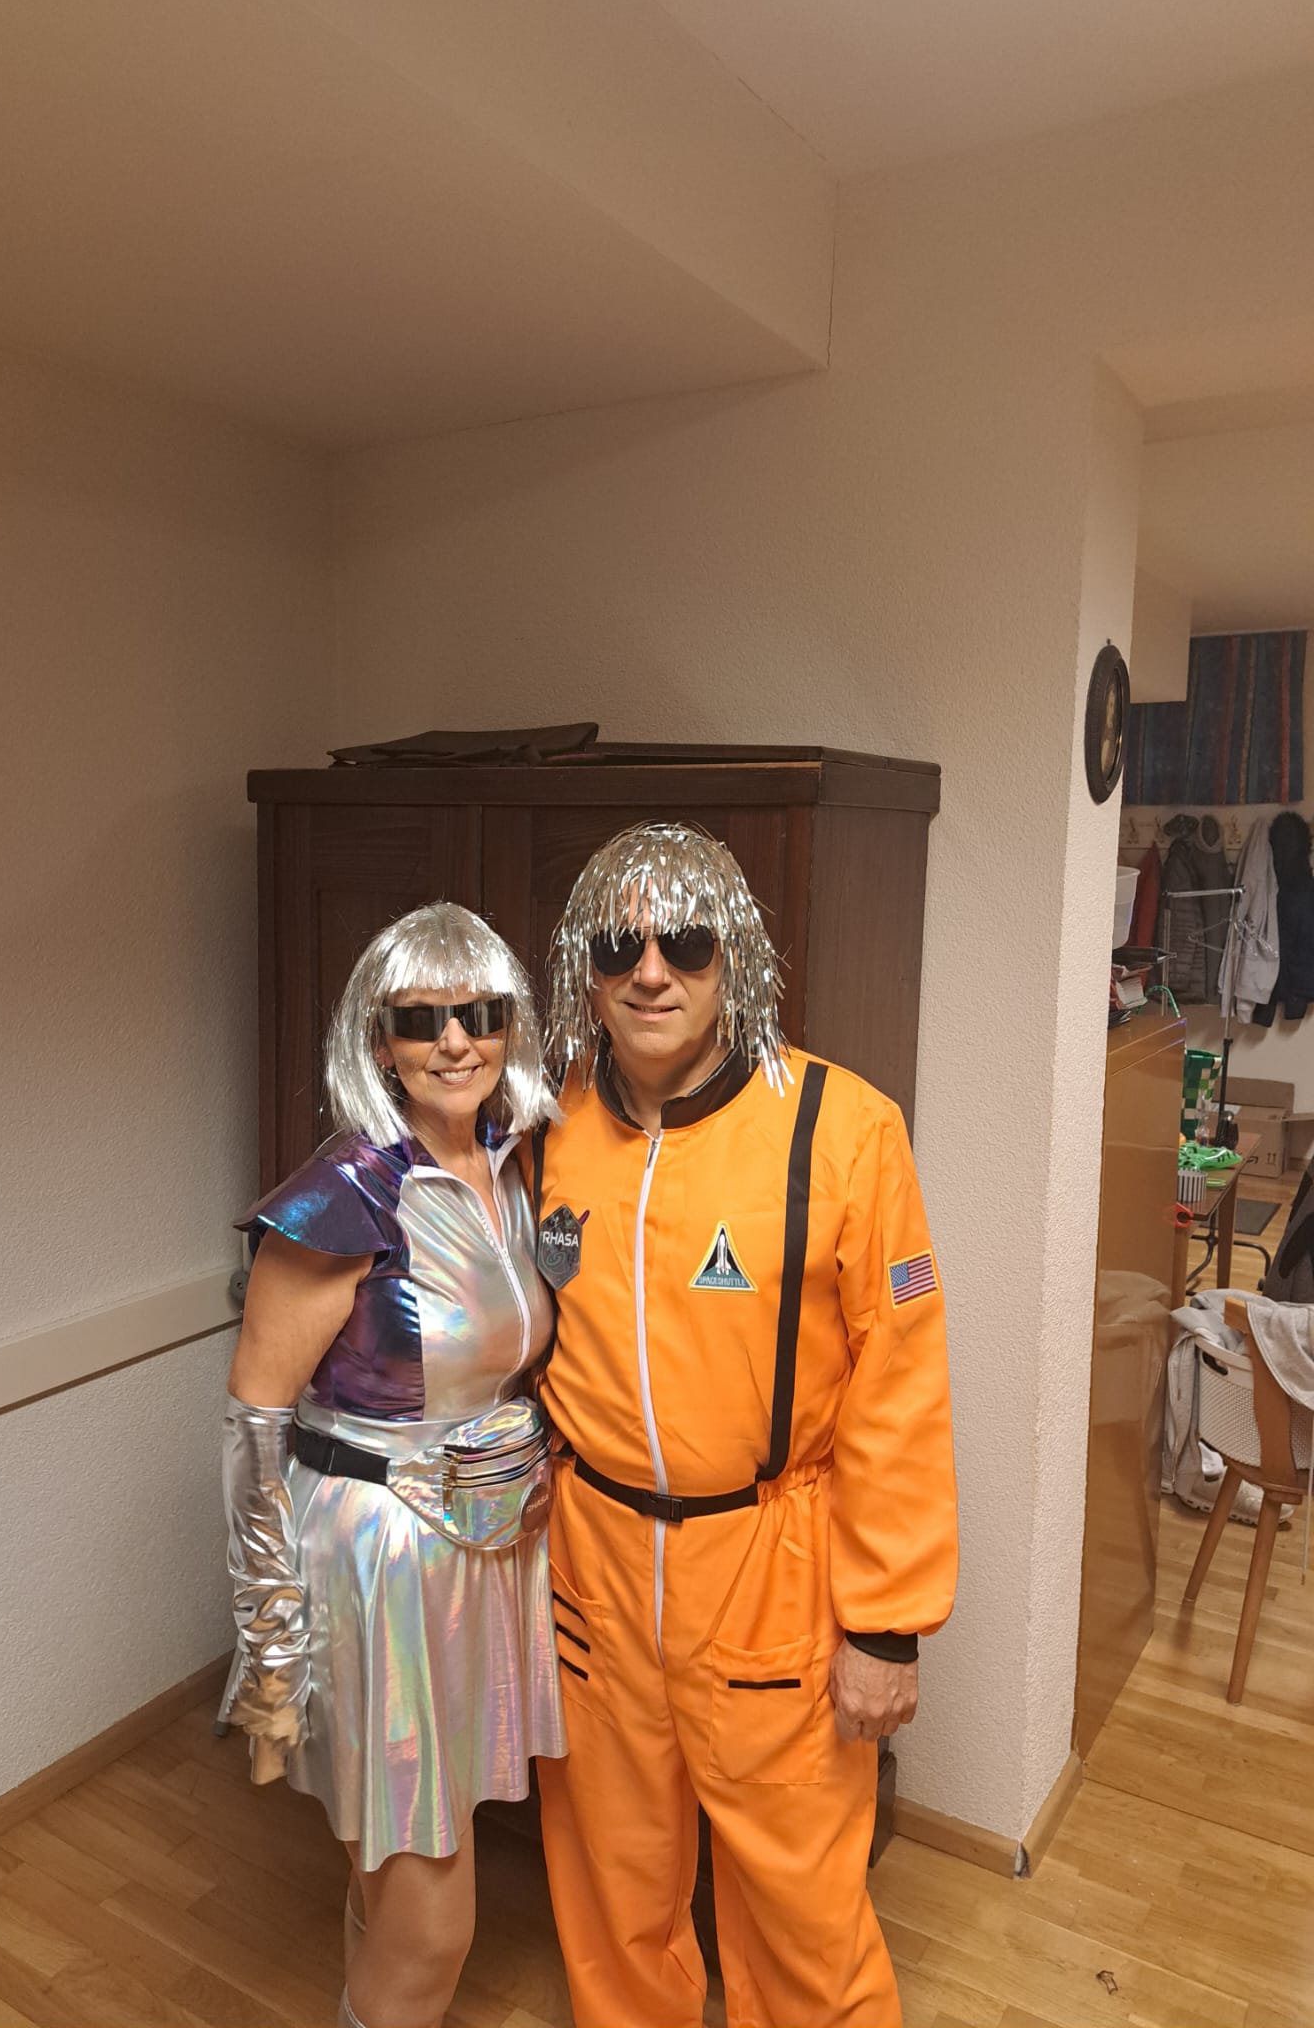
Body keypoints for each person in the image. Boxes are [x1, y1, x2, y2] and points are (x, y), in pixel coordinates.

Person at [532, 823, 958, 2028]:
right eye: (619, 944)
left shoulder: (843, 1129)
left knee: (803, 1919)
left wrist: (886, 1624)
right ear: (585, 969)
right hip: (595, 1567)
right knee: (611, 1897)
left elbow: (901, 1385)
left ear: (736, 957)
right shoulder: (550, 1125)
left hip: (770, 1574)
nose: (650, 970)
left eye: (686, 940)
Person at [222, 903, 565, 2028]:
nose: (456, 1041)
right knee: (430, 1919)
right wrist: (271, 1649)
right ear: (380, 1040)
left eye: (480, 1013)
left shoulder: (511, 1162)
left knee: (391, 1872)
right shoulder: (349, 1192)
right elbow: (255, 1428)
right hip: (380, 1564)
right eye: (423, 1020)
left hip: (482, 1550)